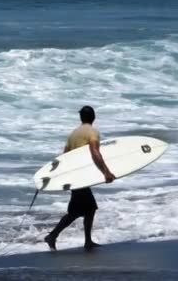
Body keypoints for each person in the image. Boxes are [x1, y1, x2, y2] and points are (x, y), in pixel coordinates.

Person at [44, 106, 116, 251]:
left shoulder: (73, 134)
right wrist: (106, 172)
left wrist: (63, 177)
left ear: (81, 118)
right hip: (80, 179)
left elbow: (64, 156)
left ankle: (85, 240)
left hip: (75, 177)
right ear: (93, 117)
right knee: (82, 210)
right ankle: (53, 236)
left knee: (86, 209)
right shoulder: (92, 132)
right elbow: (95, 151)